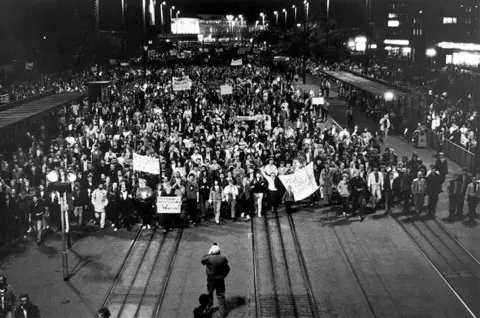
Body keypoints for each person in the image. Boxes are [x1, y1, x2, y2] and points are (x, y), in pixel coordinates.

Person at [201, 243, 230, 318]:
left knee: (209, 293)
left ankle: (209, 308)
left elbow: (202, 261)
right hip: (220, 279)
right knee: (220, 295)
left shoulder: (209, 258)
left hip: (211, 280)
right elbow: (227, 268)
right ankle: (223, 312)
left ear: (212, 252)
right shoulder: (223, 258)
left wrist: (208, 253)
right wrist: (223, 276)